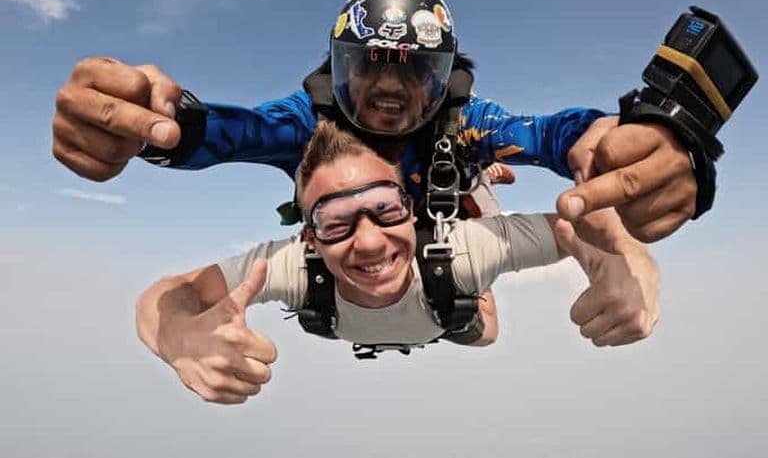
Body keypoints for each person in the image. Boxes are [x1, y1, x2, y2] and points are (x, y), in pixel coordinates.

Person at [53, 0, 698, 243]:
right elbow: (228, 131)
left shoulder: (464, 121)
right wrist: (146, 126)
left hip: (438, 217)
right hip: (358, 250)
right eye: (368, 65)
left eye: (416, 69)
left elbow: (552, 134)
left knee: (478, 315)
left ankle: (477, 185)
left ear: (445, 79)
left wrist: (630, 139)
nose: (390, 89)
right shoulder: (308, 122)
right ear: (337, 70)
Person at [135, 121, 660, 404]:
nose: (367, 242)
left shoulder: (463, 250)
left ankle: (476, 183)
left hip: (447, 275)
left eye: (385, 209)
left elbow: (580, 225)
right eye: (336, 220)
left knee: (482, 325)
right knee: (474, 319)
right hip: (436, 296)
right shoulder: (296, 266)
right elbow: (173, 292)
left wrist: (625, 260)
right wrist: (179, 337)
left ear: (411, 210)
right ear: (309, 238)